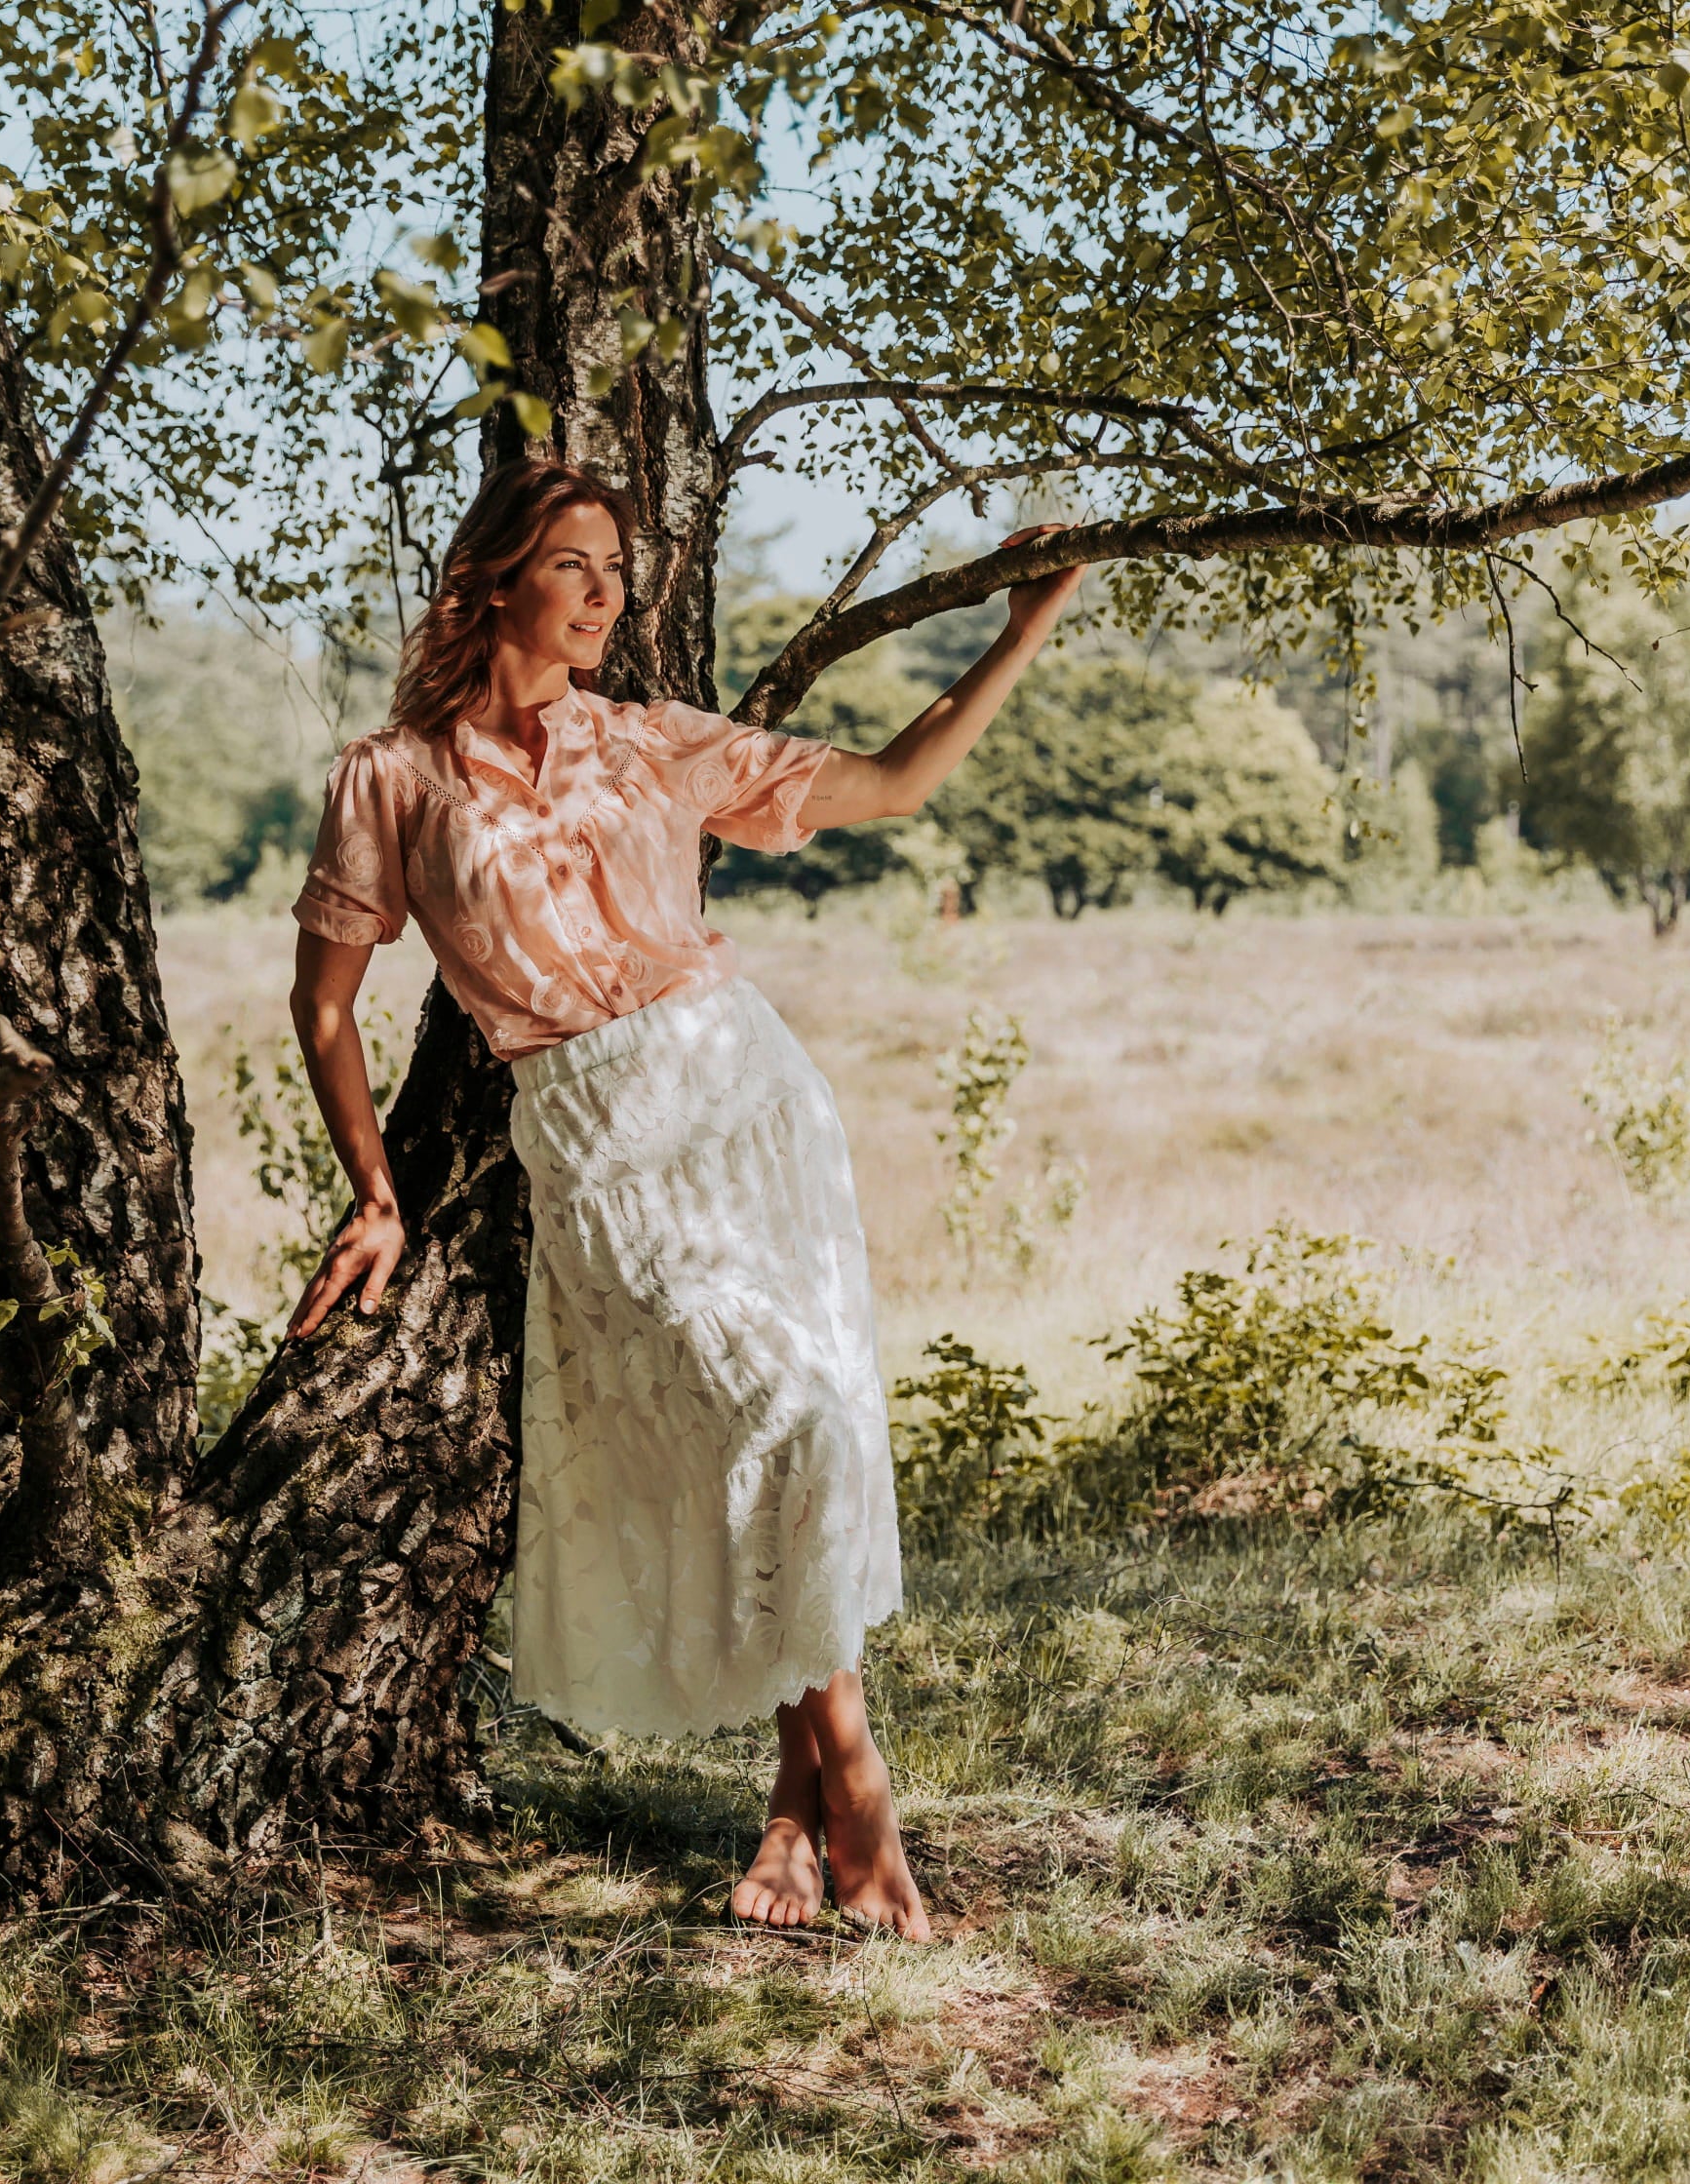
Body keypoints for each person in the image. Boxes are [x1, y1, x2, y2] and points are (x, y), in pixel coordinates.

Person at [282, 456, 1082, 1938]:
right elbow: (324, 1006)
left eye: (616, 566)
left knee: (808, 1425)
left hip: (749, 1102)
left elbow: (899, 785)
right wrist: (375, 1197)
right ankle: (854, 1787)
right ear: (497, 579)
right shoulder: (390, 778)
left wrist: (1022, 626)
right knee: (766, 1420)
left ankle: (796, 1809)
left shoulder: (653, 744)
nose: (607, 592)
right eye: (576, 563)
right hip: (592, 1134)